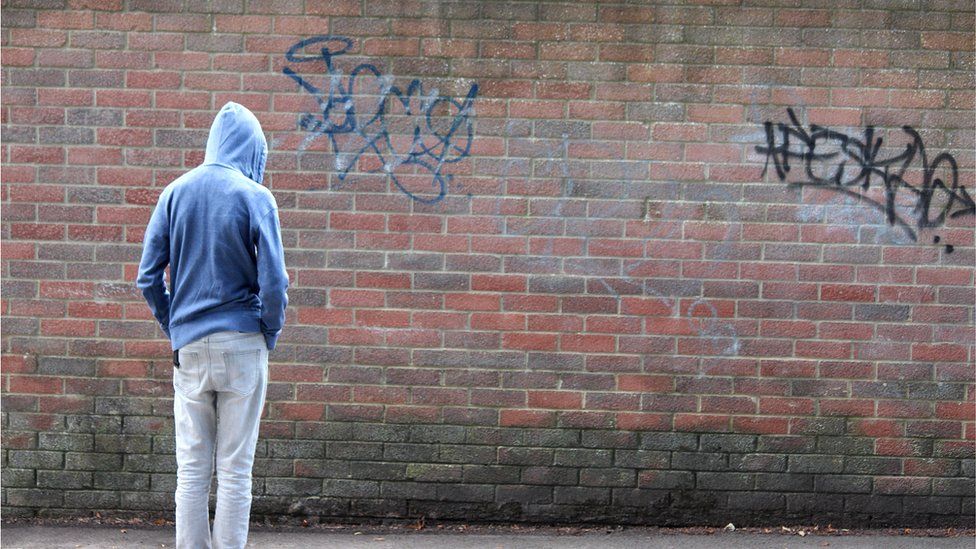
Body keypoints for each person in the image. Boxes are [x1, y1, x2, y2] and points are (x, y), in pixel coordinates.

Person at [137, 102, 288, 549]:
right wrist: (269, 331)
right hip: (243, 342)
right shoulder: (256, 196)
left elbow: (147, 277)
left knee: (192, 468)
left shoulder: (175, 193)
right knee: (236, 469)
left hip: (190, 347)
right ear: (253, 149)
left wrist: (175, 326)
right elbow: (275, 281)